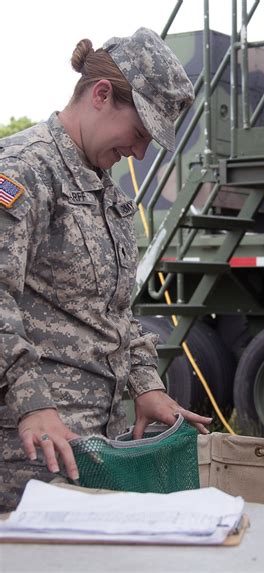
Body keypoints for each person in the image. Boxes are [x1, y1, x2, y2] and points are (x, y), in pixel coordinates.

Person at [0, 27, 213, 512]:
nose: (139, 153)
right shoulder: (21, 171)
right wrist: (33, 402)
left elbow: (114, 311)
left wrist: (146, 385)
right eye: (139, 133)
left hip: (94, 441)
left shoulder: (107, 196)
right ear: (101, 95)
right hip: (27, 445)